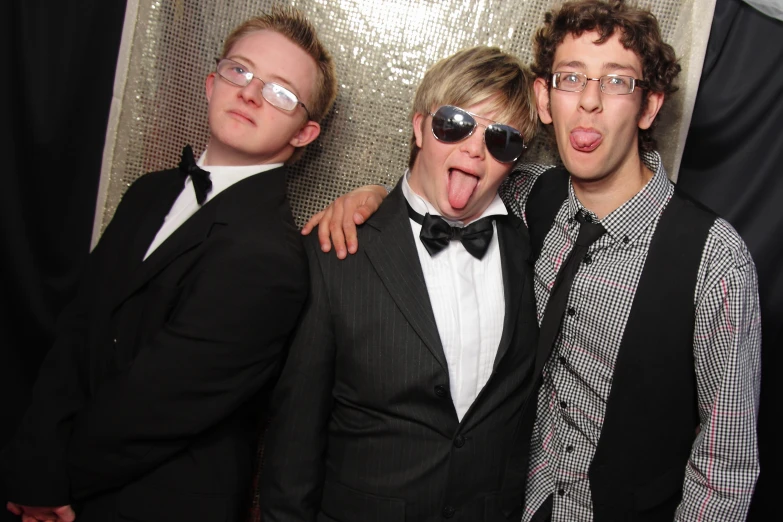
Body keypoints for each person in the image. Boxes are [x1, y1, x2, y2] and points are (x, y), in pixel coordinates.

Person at [303, 1, 762, 521]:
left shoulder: (715, 259)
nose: (589, 101)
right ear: (545, 99)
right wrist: (369, 201)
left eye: (616, 82)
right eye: (571, 78)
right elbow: (444, 182)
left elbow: (725, 465)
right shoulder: (528, 195)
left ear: (650, 107)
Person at [1, 7, 337, 522]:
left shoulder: (270, 255)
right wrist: (33, 467)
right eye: (241, 71)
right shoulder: (148, 192)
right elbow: (74, 333)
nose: (249, 93)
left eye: (280, 92)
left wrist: (53, 484)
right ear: (211, 83)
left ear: (304, 134)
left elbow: (156, 404)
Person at [260, 46, 540, 522]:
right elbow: (292, 451)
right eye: (455, 123)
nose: (474, 148)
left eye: (501, 139)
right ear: (418, 128)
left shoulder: (534, 244)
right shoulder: (337, 253)